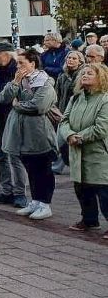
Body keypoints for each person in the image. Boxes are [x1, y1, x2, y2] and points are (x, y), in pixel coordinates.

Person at [0, 48, 59, 220]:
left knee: (43, 169)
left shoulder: (44, 82)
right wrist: (15, 82)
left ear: (32, 64)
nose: (18, 66)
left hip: (38, 133)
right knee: (30, 169)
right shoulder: (18, 80)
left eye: (21, 63)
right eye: (17, 63)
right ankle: (35, 201)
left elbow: (39, 106)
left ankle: (45, 204)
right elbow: (4, 97)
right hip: (20, 134)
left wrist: (17, 106)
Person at [58, 64, 108, 236]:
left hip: (98, 153)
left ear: (100, 77)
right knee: (82, 188)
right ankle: (89, 220)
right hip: (77, 151)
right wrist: (69, 135)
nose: (84, 75)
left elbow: (101, 128)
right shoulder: (76, 98)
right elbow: (63, 121)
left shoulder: (105, 99)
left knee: (103, 191)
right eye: (83, 73)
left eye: (89, 73)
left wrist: (79, 137)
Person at [0, 42, 30, 208]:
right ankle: (6, 191)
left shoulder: (17, 71)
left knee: (14, 157)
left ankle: (19, 193)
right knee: (1, 157)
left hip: (12, 118)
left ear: (8, 54)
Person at [53, 50, 85, 174]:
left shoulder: (82, 75)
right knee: (60, 142)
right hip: (62, 113)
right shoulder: (62, 76)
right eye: (69, 58)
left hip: (77, 113)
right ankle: (60, 166)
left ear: (80, 61)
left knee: (71, 141)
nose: (70, 60)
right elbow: (57, 94)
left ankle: (64, 166)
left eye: (74, 58)